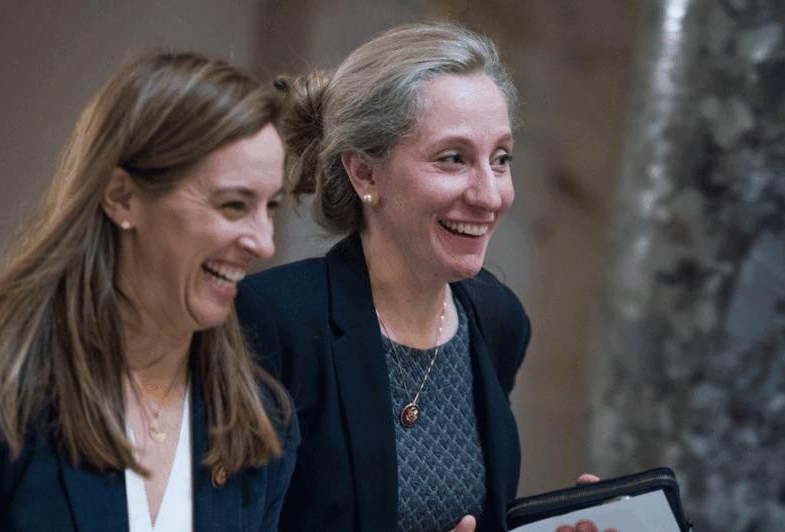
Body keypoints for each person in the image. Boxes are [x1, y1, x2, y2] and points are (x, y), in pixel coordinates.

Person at [0, 51, 298, 531]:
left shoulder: (259, 422)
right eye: (233, 205)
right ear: (122, 197)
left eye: (270, 207)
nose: (265, 243)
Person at [236, 22, 615, 532]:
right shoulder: (273, 319)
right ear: (365, 173)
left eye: (500, 159)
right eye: (453, 158)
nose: (490, 195)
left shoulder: (498, 319)